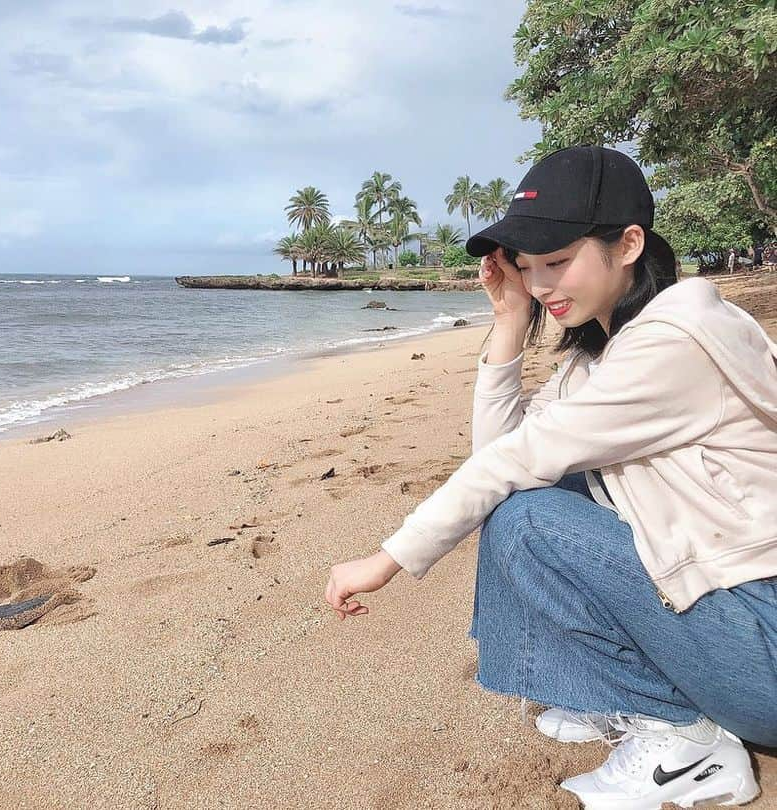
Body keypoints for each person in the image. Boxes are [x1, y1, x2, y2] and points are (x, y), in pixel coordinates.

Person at [324, 145, 777, 810]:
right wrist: (510, 323)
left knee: (529, 515)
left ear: (628, 244)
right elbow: (504, 455)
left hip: (763, 641)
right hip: (741, 626)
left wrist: (386, 560)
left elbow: (508, 467)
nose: (541, 286)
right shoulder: (608, 349)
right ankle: (624, 694)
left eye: (558, 263)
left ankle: (688, 742)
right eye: (529, 268)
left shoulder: (673, 341)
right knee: (529, 500)